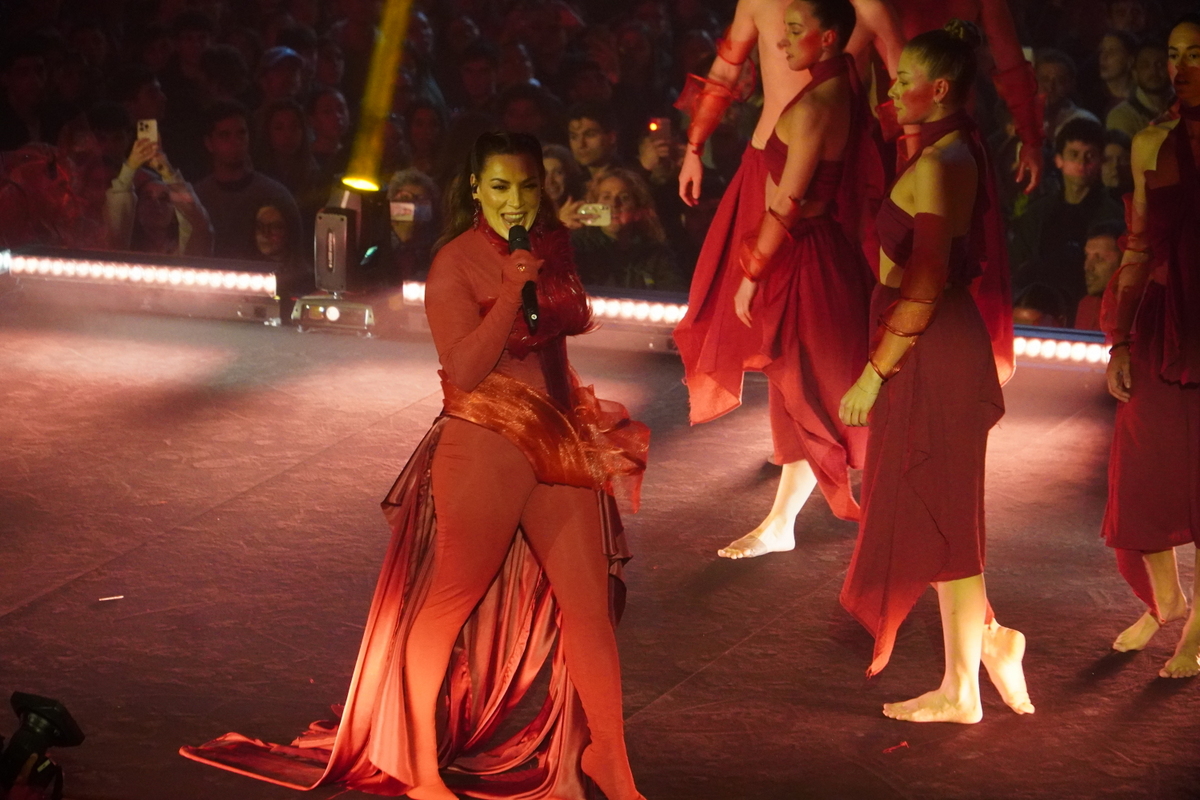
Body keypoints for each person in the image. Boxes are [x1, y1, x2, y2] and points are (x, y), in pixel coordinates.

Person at [181, 132, 649, 800]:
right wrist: (514, 293)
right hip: (485, 440)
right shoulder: (454, 263)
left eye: (525, 186)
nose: (514, 200)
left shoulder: (549, 244)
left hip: (557, 438)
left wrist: (539, 279)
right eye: (499, 187)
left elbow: (575, 318)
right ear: (473, 190)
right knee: (445, 604)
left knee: (590, 610)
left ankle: (614, 765)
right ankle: (417, 766)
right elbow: (462, 368)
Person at [838, 20, 1033, 723]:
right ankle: (981, 651)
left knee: (945, 511)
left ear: (939, 87)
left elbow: (923, 284)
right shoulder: (948, 151)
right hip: (926, 345)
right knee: (945, 511)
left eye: (904, 80)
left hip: (927, 351)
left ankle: (964, 683)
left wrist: (872, 374)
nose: (893, 91)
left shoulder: (946, 163)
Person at [678, 0, 880, 559]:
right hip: (779, 201)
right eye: (785, 32)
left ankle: (805, 506)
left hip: (798, 224)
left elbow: (790, 201)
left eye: (796, 33)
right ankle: (790, 501)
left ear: (826, 35)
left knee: (817, 369)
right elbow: (725, 70)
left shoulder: (828, 79)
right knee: (791, 359)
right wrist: (695, 145)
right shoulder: (774, 16)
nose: (785, 45)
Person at [1101, 15, 1200, 679]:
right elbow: (1137, 245)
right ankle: (1167, 601)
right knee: (1141, 472)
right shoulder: (1148, 141)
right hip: (1166, 323)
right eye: (1172, 54)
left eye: (1196, 54)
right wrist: (1118, 337)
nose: (1180, 65)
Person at [1010, 117, 1123, 314]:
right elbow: (1019, 262)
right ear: (1058, 160)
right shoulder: (1038, 213)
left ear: (1099, 161)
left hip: (1089, 307)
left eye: (1090, 155)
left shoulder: (1112, 216)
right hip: (1038, 305)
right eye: (1074, 154)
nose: (1081, 163)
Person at [193, 101, 302, 261]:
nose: (235, 141)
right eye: (225, 135)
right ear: (209, 143)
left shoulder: (275, 195)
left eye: (241, 133)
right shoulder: (197, 198)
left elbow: (295, 257)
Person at [570, 167, 682, 290]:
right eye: (606, 197)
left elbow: (675, 292)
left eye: (624, 198)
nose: (614, 204)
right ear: (594, 203)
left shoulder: (655, 254)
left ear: (638, 208)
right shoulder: (577, 245)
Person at [105, 136, 214, 256]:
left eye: (164, 199)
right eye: (147, 197)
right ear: (136, 208)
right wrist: (130, 166)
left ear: (175, 212)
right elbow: (117, 213)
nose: (155, 204)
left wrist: (166, 170)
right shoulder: (121, 249)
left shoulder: (187, 251)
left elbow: (197, 220)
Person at [1106, 39, 1174, 138]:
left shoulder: (1189, 107)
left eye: (1160, 64)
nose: (1153, 71)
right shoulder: (1122, 116)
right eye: (1145, 65)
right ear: (1135, 72)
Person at [1075, 220, 1124, 330]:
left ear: (1124, 261)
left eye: (1100, 259)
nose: (1088, 267)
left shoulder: (1140, 309)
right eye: (1087, 256)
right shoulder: (1087, 305)